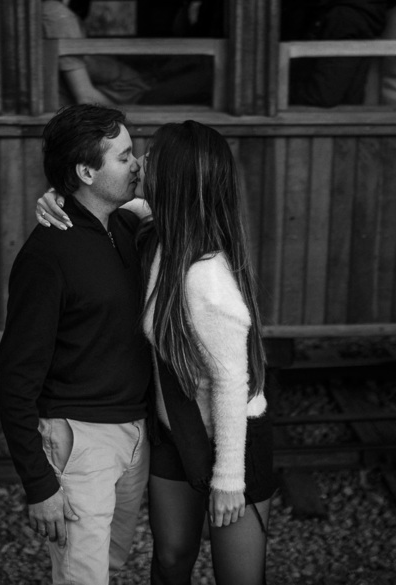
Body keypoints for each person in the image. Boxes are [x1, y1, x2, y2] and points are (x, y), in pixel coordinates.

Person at [35, 121, 276, 585]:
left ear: (173, 178)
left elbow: (232, 382)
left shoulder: (205, 278)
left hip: (231, 441)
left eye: (149, 157)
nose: (139, 163)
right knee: (170, 559)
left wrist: (229, 479)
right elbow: (119, 202)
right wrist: (62, 198)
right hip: (174, 431)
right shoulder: (165, 232)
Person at [0, 104, 151, 585]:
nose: (136, 164)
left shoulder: (127, 227)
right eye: (124, 157)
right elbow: (15, 378)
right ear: (86, 172)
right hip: (80, 441)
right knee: (82, 579)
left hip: (135, 435)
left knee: (109, 565)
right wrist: (39, 484)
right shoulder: (47, 255)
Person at [288, 0, 386, 107]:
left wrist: (278, 89)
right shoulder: (323, 6)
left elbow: (324, 94)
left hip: (328, 115)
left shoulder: (346, 16)